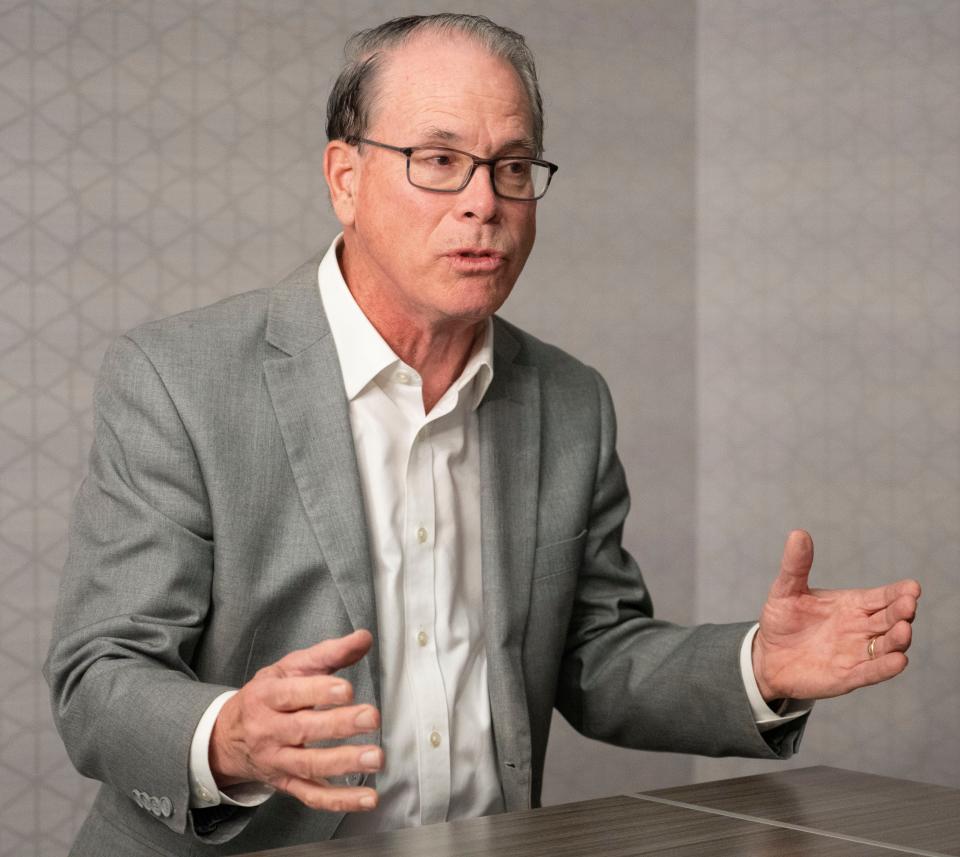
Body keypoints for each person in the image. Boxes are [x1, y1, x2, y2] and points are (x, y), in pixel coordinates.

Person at [44, 13, 921, 857]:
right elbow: (101, 674)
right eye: (439, 161)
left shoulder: (571, 399)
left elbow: (595, 652)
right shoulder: (180, 378)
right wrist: (227, 736)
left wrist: (759, 666)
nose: (483, 203)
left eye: (510, 167)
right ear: (344, 177)